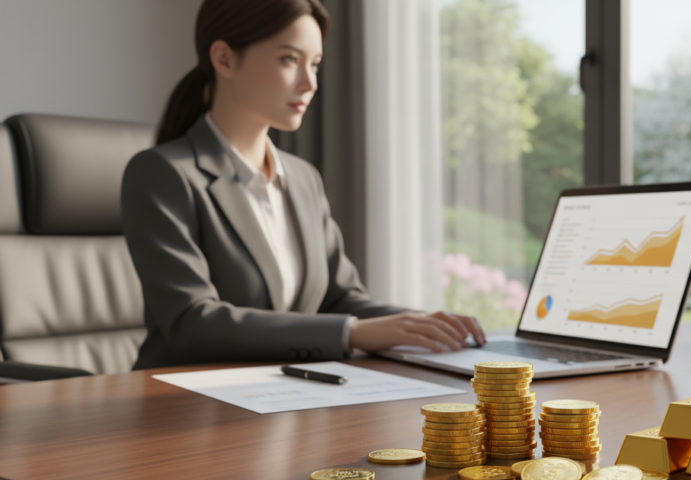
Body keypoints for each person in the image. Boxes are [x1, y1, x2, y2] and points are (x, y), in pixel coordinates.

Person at [122, 0, 484, 369]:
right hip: (180, 403)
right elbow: (192, 323)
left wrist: (426, 323)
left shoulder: (302, 178)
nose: (310, 83)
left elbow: (340, 300)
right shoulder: (163, 173)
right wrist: (350, 333)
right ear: (224, 59)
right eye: (289, 60)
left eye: (315, 64)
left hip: (284, 393)